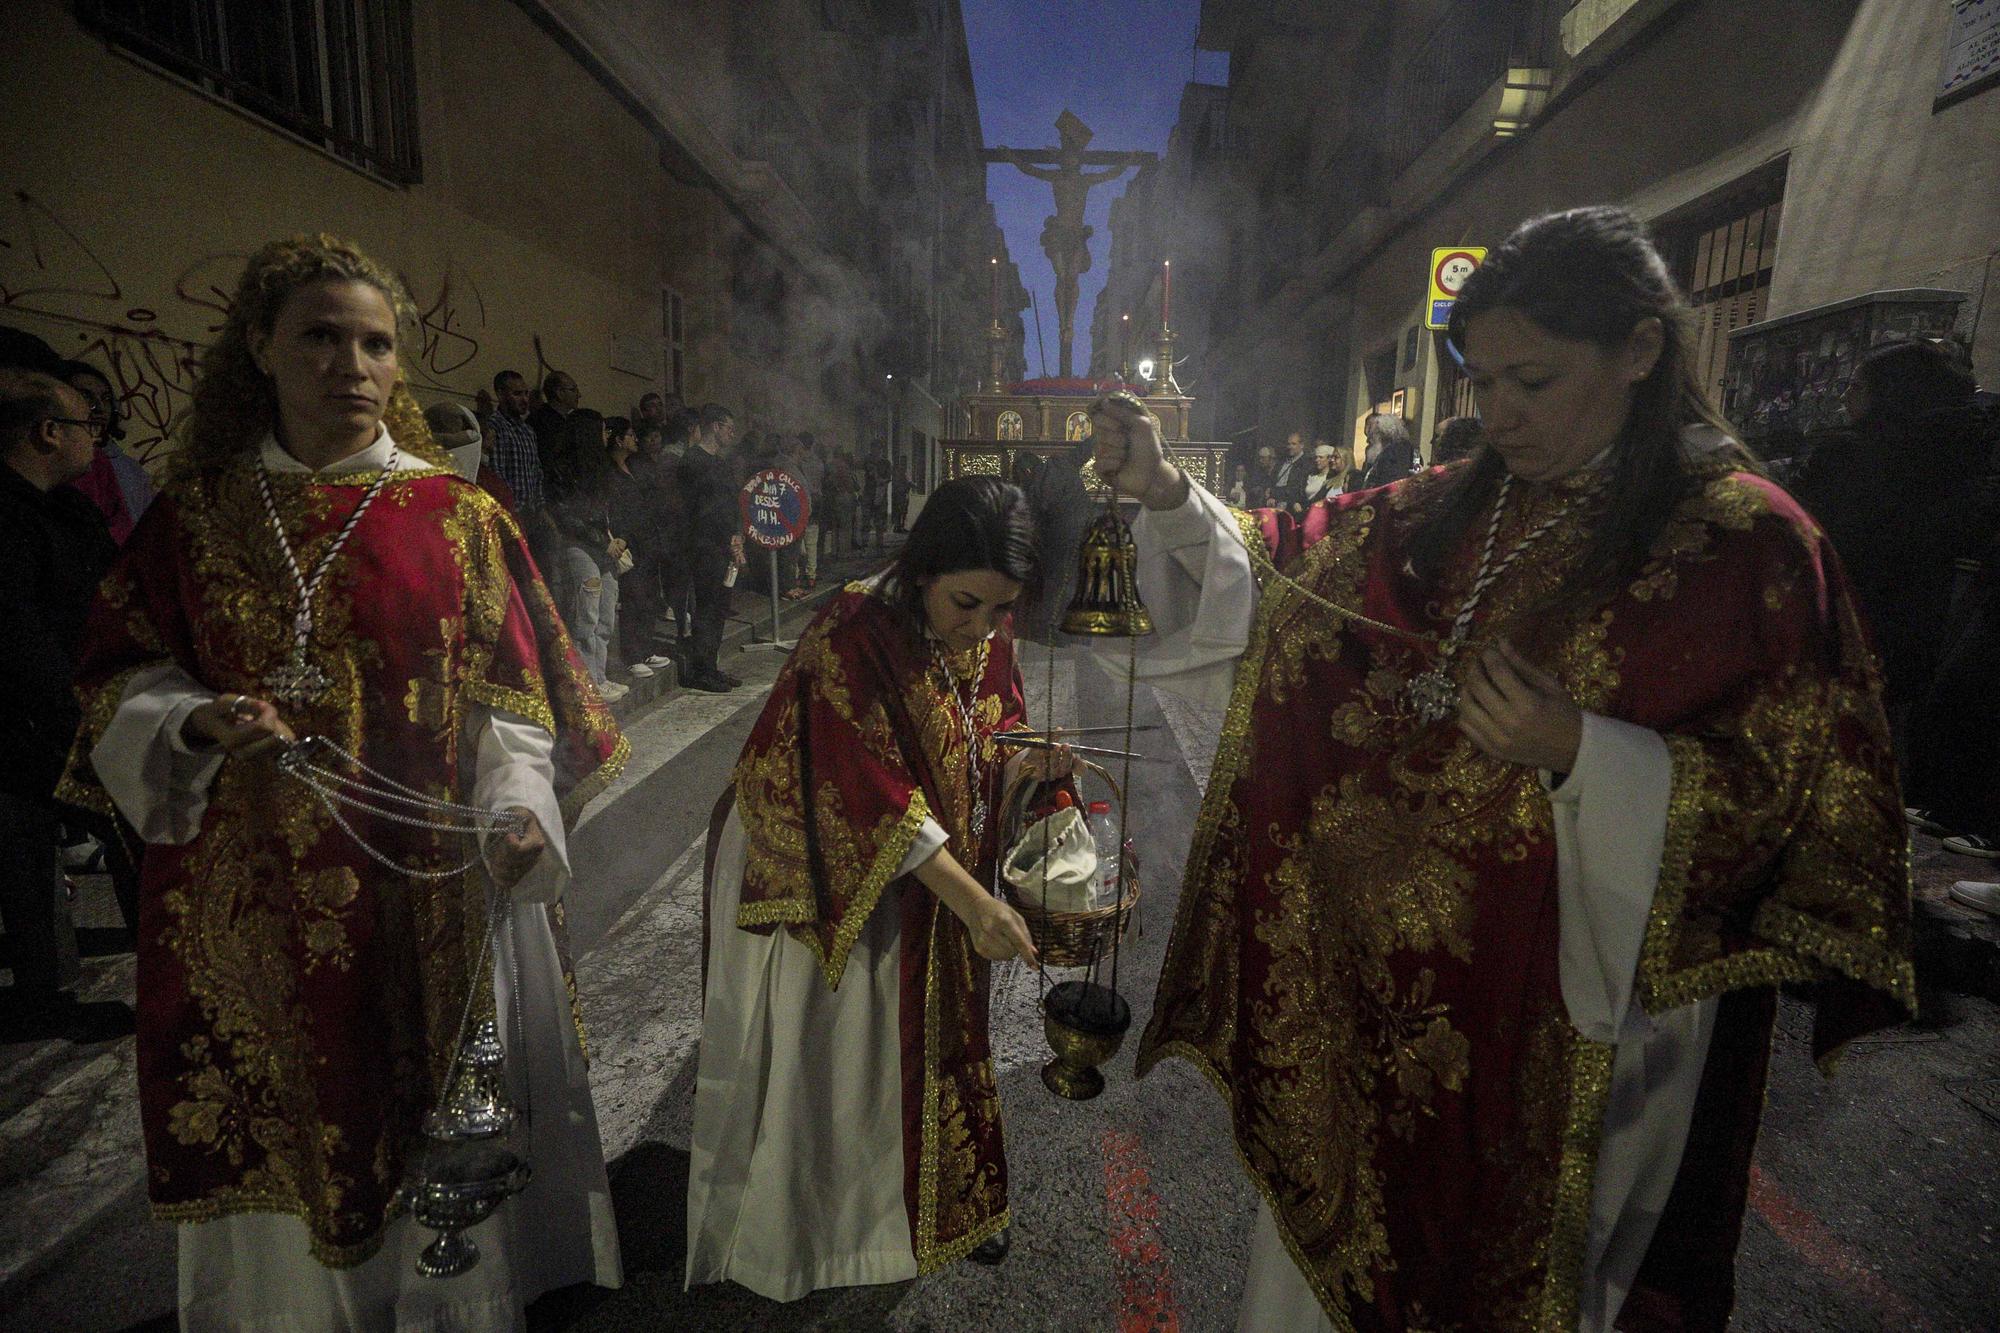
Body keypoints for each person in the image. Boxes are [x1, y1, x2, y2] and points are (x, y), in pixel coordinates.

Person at [1089, 206, 1913, 1333]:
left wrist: (1585, 754)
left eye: (1531, 380)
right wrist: (1168, 494)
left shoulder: (1745, 545)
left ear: (1639, 351)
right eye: (1480, 383)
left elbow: (1796, 800)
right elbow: (1296, 554)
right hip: (1387, 1003)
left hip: (1580, 1020)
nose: (1498, 416)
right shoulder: (1467, 496)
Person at [58, 236, 627, 1328]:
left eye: (375, 343)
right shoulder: (193, 518)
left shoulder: (458, 517)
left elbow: (518, 698)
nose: (351, 364)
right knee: (294, 1100)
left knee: (436, 1107)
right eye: (320, 336)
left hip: (434, 877)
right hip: (251, 884)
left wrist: (518, 808)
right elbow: (117, 675)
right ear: (260, 348)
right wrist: (192, 716)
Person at [687, 475, 1062, 1301]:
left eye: (1001, 611)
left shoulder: (985, 632)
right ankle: (828, 1240)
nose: (982, 629)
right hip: (828, 873)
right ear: (924, 570)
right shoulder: (852, 629)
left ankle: (940, 1209)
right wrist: (973, 900)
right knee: (843, 1063)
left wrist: (1027, 770)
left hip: (931, 876)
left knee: (936, 1044)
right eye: (967, 604)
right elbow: (862, 787)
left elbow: (995, 730)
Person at [0, 369, 132, 1043]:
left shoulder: (72, 508)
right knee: (25, 857)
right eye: (88, 425)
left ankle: (162, 964)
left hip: (93, 705)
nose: (97, 438)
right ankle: (45, 997)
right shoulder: (9, 516)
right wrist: (76, 706)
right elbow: (16, 628)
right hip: (32, 721)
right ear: (48, 432)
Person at [1792, 339, 1982, 800]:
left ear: (1887, 392)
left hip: (1844, 620)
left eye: (1856, 384)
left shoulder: (1846, 457)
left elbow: (1805, 531)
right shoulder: (1959, 457)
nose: (1846, 395)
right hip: (1918, 624)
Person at [548, 411, 629, 702]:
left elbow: (613, 510)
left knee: (606, 614)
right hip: (579, 547)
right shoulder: (562, 469)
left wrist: (618, 536)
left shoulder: (602, 467)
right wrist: (599, 540)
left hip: (605, 547)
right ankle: (585, 684)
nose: (606, 436)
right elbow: (565, 514)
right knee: (586, 616)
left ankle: (600, 677)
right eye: (602, 430)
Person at [676, 403, 746, 692]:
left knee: (720, 608)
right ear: (715, 426)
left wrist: (738, 535)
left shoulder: (721, 462)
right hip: (704, 546)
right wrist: (726, 537)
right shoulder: (692, 461)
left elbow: (731, 503)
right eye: (729, 428)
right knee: (706, 608)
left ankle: (712, 666)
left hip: (725, 546)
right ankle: (700, 670)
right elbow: (701, 510)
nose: (733, 434)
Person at [1358, 411, 1417, 489]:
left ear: (1383, 435)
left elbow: (1388, 487)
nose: (1369, 440)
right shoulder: (1392, 452)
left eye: (1372, 435)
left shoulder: (1393, 455)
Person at [1269, 431, 1311, 511]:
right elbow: (1272, 481)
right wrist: (1271, 495)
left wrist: (1276, 494)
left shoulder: (1306, 464)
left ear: (1301, 445)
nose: (1290, 447)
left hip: (1292, 506)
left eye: (1293, 444)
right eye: (1288, 444)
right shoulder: (1281, 461)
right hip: (1274, 504)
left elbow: (1297, 488)